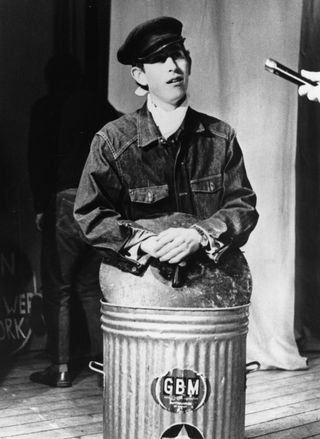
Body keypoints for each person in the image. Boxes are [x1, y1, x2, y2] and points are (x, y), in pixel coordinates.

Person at [74, 17, 258, 295]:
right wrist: (144, 242)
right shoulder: (112, 141)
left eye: (178, 56)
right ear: (139, 75)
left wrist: (199, 235)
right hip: (140, 293)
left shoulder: (221, 137)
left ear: (189, 62)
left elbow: (242, 206)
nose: (173, 66)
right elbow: (90, 214)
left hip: (210, 293)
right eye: (160, 60)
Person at [28, 54, 119, 387]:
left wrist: (41, 206)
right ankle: (105, 368)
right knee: (90, 287)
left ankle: (61, 367)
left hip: (65, 200)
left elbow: (37, 159)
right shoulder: (101, 106)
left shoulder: (45, 106)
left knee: (58, 288)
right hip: (101, 202)